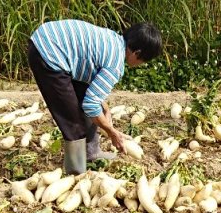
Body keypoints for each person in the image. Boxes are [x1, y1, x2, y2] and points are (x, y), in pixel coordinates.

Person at [28, 19, 162, 174]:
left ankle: (92, 154)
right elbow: (90, 105)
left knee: (91, 106)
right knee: (72, 119)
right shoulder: (115, 64)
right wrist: (111, 131)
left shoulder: (113, 40)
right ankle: (76, 172)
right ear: (137, 53)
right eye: (144, 60)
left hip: (46, 40)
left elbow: (91, 89)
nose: (142, 64)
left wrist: (104, 107)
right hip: (48, 53)